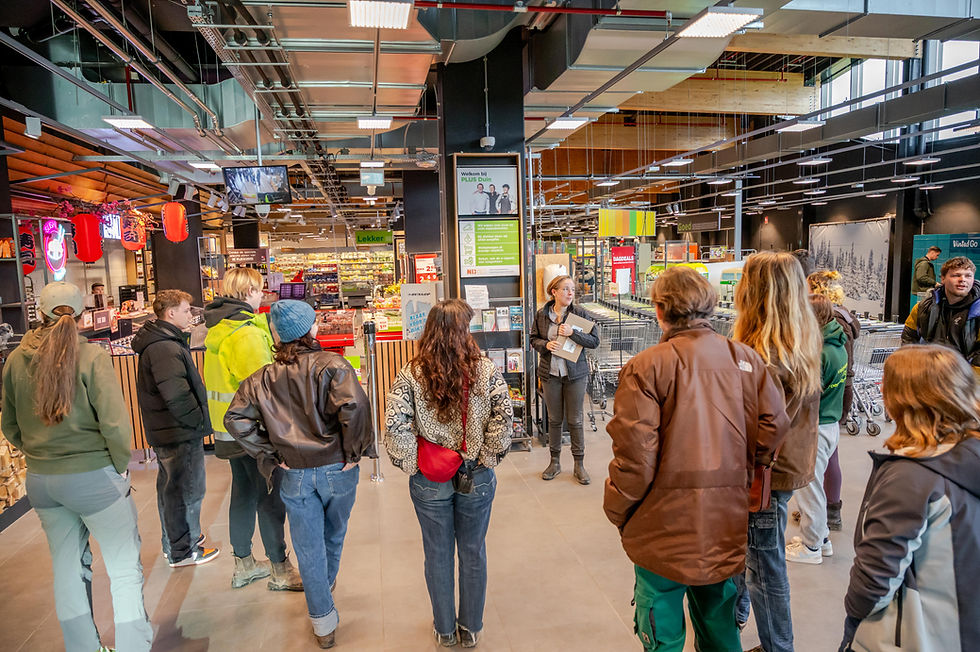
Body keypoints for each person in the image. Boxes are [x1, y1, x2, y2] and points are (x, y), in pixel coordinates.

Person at [604, 267, 790, 652]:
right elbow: (774, 427)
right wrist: (741, 467)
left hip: (660, 525)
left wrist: (618, 509)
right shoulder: (747, 361)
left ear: (659, 309)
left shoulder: (646, 367)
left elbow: (635, 459)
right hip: (724, 520)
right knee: (720, 625)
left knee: (663, 631)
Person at [1, 282, 153, 652]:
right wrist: (119, 466)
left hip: (42, 480)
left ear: (39, 313)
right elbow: (115, 424)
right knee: (122, 567)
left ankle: (83, 647)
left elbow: (9, 424)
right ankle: (134, 646)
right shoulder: (91, 357)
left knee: (67, 568)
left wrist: (40, 455)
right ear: (83, 313)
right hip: (94, 476)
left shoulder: (15, 359)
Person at [225, 300, 374, 649]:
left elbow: (235, 419)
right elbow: (355, 407)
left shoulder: (262, 378)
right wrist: (353, 454)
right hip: (338, 467)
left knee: (307, 546)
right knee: (334, 534)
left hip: (293, 474)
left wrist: (271, 454)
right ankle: (326, 584)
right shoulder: (334, 366)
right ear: (312, 330)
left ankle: (323, 622)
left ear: (277, 335)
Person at [384, 299, 513, 648]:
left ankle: (444, 629)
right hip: (476, 473)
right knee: (473, 551)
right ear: (464, 330)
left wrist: (413, 463)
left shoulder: (411, 372)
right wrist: (487, 457)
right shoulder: (486, 369)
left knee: (437, 553)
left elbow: (394, 423)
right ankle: (470, 628)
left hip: (430, 477)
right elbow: (504, 416)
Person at [839, 345, 980, 652]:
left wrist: (854, 614)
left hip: (908, 636)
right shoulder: (968, 456)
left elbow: (874, 583)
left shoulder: (911, 477)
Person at [732, 251, 823, 652]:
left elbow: (759, 429)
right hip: (784, 467)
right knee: (754, 556)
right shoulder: (797, 338)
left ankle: (777, 647)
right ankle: (739, 615)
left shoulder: (765, 356)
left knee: (764, 566)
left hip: (763, 475)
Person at [203, 267, 302, 591]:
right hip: (252, 430)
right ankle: (279, 567)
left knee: (243, 494)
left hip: (228, 429)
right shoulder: (244, 335)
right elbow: (264, 388)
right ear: (247, 293)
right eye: (258, 289)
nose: (263, 294)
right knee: (270, 498)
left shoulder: (220, 330)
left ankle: (244, 564)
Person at [132, 289, 218, 567]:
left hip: (169, 430)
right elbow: (177, 395)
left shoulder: (163, 341)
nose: (190, 314)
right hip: (178, 431)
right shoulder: (165, 348)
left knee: (172, 488)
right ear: (170, 313)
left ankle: (180, 540)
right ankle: (184, 549)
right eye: (185, 310)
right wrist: (197, 422)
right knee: (186, 489)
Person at [785, 294, 847, 565]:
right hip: (829, 423)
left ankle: (811, 547)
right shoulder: (837, 345)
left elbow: (803, 395)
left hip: (815, 428)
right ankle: (821, 539)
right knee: (814, 483)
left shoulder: (818, 353)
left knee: (808, 487)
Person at [529, 275, 600, 484]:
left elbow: (594, 341)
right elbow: (533, 339)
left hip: (575, 375)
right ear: (554, 292)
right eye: (566, 289)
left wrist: (572, 333)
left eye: (572, 290)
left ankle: (579, 465)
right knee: (554, 420)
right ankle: (555, 462)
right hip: (550, 375)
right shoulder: (542, 315)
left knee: (575, 420)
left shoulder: (580, 314)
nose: (570, 293)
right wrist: (545, 345)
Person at [807, 270, 860, 531]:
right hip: (839, 391)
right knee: (831, 455)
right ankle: (830, 511)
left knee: (821, 463)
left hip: (829, 397)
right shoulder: (842, 318)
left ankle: (824, 517)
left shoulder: (828, 334)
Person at [902, 256, 980, 372]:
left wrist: (967, 382)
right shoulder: (923, 308)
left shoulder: (977, 311)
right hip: (929, 376)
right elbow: (909, 340)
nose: (962, 279)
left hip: (965, 382)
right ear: (943, 278)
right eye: (956, 275)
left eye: (968, 276)